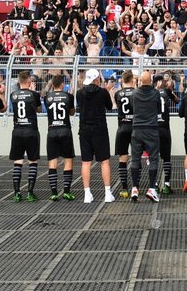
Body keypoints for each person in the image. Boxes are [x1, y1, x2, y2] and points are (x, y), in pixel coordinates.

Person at [77, 69, 115, 203]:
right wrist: (108, 90)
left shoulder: (79, 93)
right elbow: (109, 107)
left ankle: (87, 194)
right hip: (100, 129)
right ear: (97, 79)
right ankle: (107, 193)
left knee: (86, 162)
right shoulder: (102, 92)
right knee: (104, 161)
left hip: (84, 130)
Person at [128, 71, 162, 203]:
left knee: (135, 159)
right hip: (151, 129)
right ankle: (151, 189)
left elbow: (132, 107)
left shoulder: (135, 93)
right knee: (153, 159)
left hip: (137, 129)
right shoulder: (155, 93)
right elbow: (158, 110)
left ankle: (134, 188)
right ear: (151, 80)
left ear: (141, 81)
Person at [9, 71, 42, 202]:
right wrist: (32, 92)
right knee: (33, 161)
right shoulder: (34, 94)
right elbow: (39, 110)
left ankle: (17, 193)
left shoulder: (13, 95)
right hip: (31, 130)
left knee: (18, 162)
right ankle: (30, 192)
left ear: (18, 81)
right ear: (29, 81)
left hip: (17, 130)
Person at [43, 74, 76, 201]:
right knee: (68, 160)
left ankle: (54, 192)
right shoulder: (69, 96)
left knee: (53, 161)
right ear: (62, 84)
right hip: (65, 130)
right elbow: (72, 112)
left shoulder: (47, 97)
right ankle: (66, 191)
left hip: (52, 130)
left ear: (52, 84)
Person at [113, 71, 136, 197]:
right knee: (135, 157)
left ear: (122, 80)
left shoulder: (118, 94)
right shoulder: (137, 92)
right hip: (135, 128)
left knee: (123, 158)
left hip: (122, 128)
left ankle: (124, 188)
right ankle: (135, 187)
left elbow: (118, 106)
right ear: (132, 79)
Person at [155, 75, 178, 194]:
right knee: (167, 157)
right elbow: (177, 100)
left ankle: (154, 185)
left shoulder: (151, 92)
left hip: (153, 129)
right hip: (165, 128)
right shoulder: (167, 91)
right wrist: (170, 92)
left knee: (153, 157)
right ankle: (167, 185)